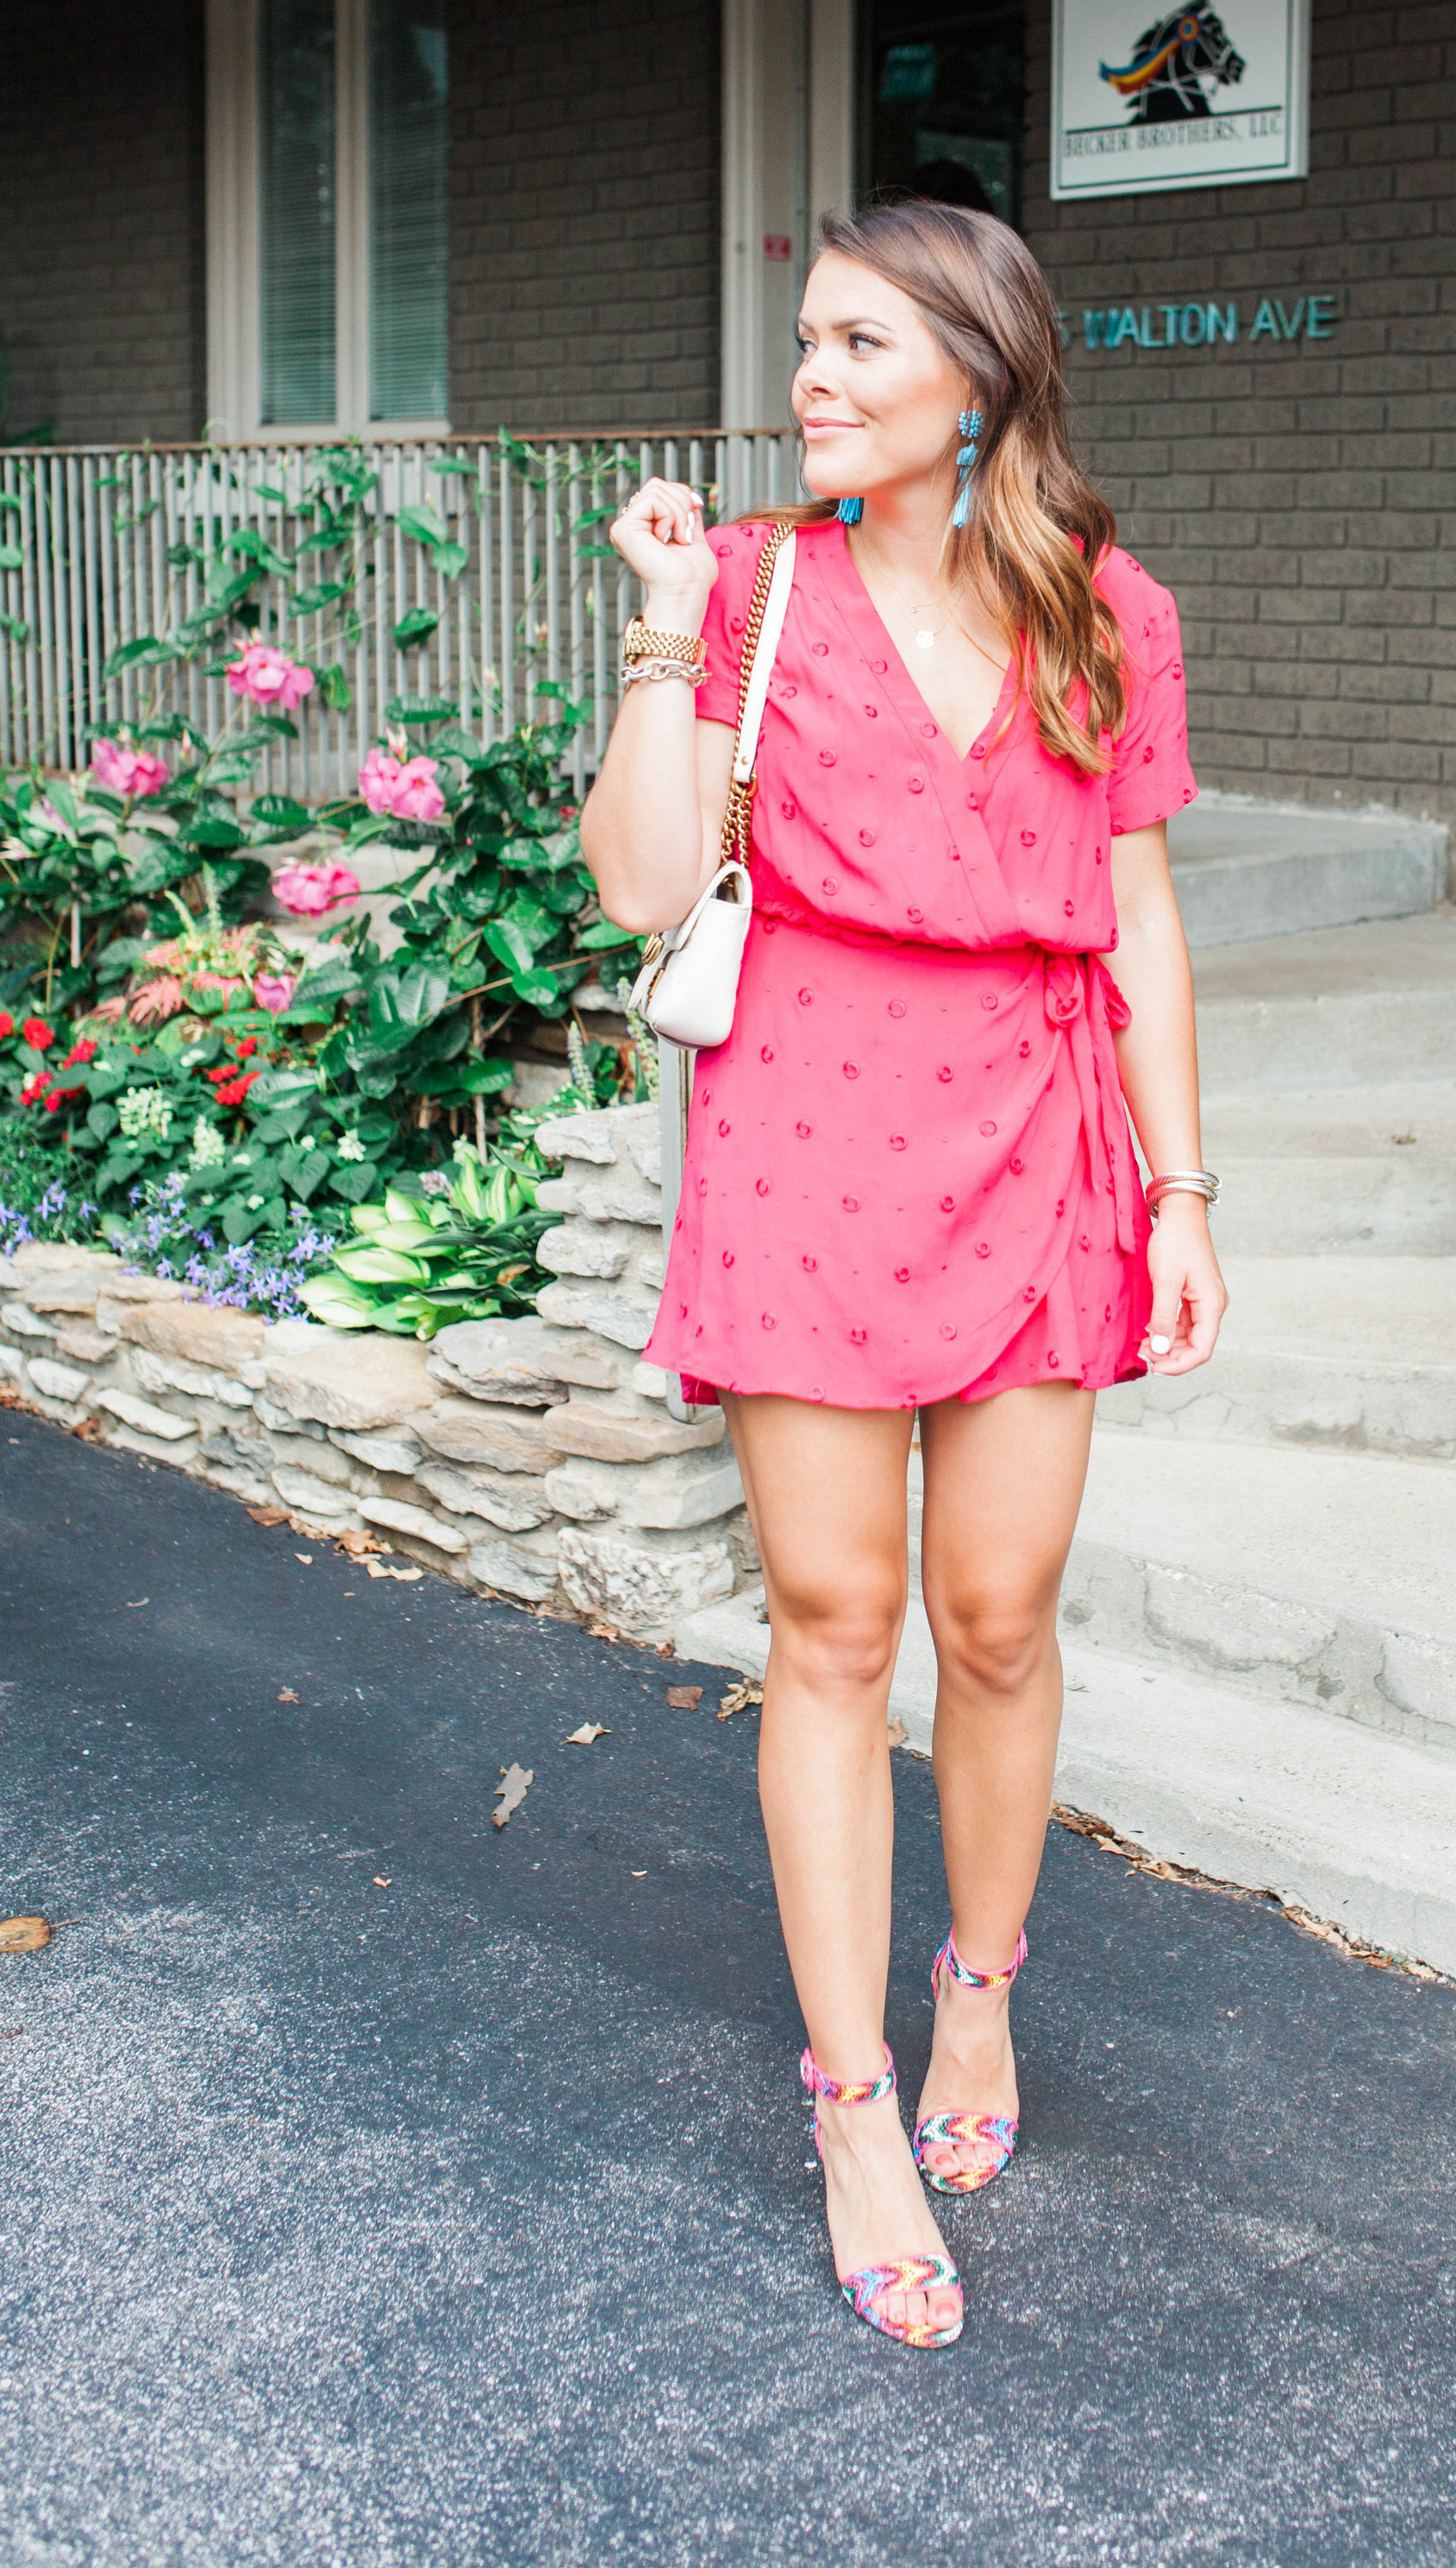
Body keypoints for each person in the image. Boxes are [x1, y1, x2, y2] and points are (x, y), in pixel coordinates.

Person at [580, 199, 1225, 2351]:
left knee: (999, 1608)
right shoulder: (751, 586)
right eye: (805, 344)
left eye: (861, 343)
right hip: (805, 1125)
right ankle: (849, 2096)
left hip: (1033, 1135)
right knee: (837, 1625)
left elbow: (1134, 919)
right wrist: (667, 630)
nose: (814, 380)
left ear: (981, 373)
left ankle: (978, 1989)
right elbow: (645, 885)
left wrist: (1187, 1185)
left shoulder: (1100, 609)